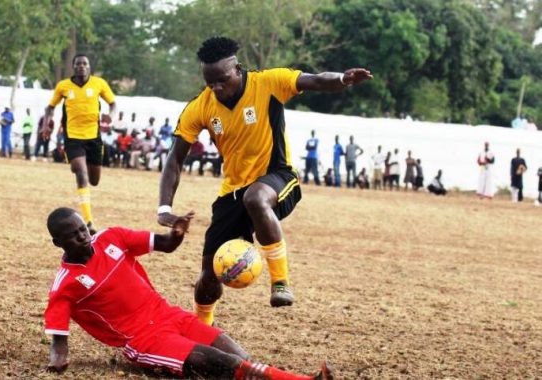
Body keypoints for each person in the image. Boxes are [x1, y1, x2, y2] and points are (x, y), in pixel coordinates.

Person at [157, 37, 372, 324]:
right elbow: (175, 158)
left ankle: (280, 282)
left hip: (279, 178)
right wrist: (164, 208)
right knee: (208, 275)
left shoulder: (269, 83)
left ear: (237, 69)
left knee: (255, 198)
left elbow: (316, 80)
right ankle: (201, 329)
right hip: (231, 191)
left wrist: (343, 79)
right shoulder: (200, 107)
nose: (217, 88)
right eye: (210, 83)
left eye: (222, 80)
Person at [43, 207, 333, 380]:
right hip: (145, 340)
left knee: (240, 356)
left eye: (83, 228)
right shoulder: (66, 283)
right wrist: (59, 357)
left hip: (169, 315)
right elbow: (58, 332)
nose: (83, 236)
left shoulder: (111, 237)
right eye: (73, 234)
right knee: (228, 366)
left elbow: (165, 244)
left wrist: (177, 234)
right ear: (58, 242)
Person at [42, 53, 117, 234]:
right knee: (81, 173)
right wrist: (46, 124)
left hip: (94, 138)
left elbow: (113, 104)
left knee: (94, 180)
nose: (82, 66)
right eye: (78, 64)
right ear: (73, 67)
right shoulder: (63, 86)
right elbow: (50, 107)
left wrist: (110, 116)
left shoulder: (99, 84)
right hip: (73, 137)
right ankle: (89, 222)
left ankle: (79, 165)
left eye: (85, 63)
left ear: (89, 67)